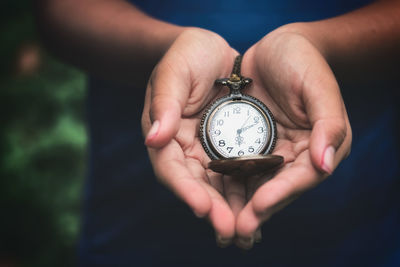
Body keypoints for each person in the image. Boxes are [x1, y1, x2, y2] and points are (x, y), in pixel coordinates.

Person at [36, 0, 400, 266]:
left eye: (245, 127)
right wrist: (166, 50)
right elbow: (57, 12)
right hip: (140, 218)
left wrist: (321, 45)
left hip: (355, 225)